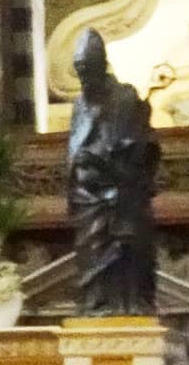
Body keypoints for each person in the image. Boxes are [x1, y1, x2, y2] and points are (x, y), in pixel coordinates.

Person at [67, 27, 165, 313]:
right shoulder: (79, 103)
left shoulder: (124, 97)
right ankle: (95, 304)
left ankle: (121, 305)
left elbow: (132, 147)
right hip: (88, 194)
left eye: (89, 69)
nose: (85, 77)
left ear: (102, 65)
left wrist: (97, 160)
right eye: (80, 70)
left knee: (121, 253)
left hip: (117, 195)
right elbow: (74, 146)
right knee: (90, 254)